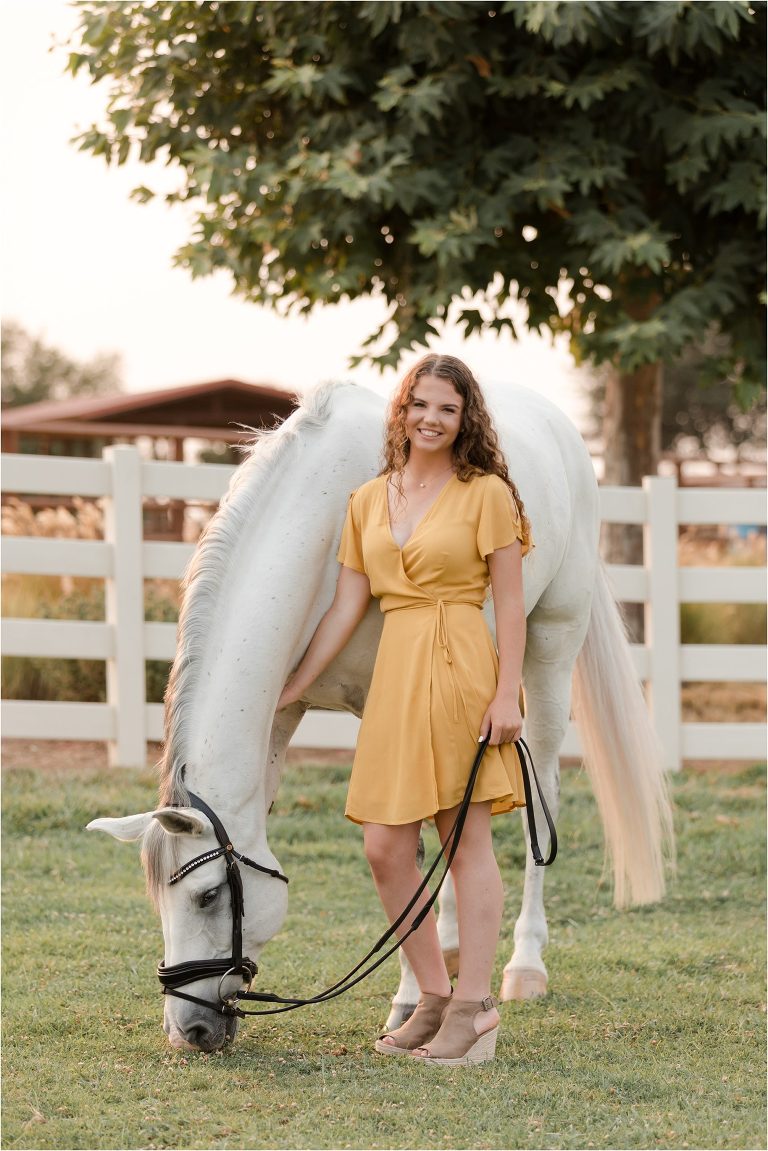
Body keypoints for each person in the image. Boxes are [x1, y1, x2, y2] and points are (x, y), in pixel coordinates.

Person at [277, 353, 532, 1065]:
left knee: (462, 841)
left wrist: (506, 690)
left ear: (465, 418)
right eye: (420, 403)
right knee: (386, 845)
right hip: (396, 674)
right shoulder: (368, 500)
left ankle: (477, 1005)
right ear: (402, 409)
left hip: (458, 663)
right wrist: (297, 683)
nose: (431, 417)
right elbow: (346, 605)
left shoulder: (486, 494)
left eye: (447, 408)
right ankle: (433, 993)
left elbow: (509, 601)